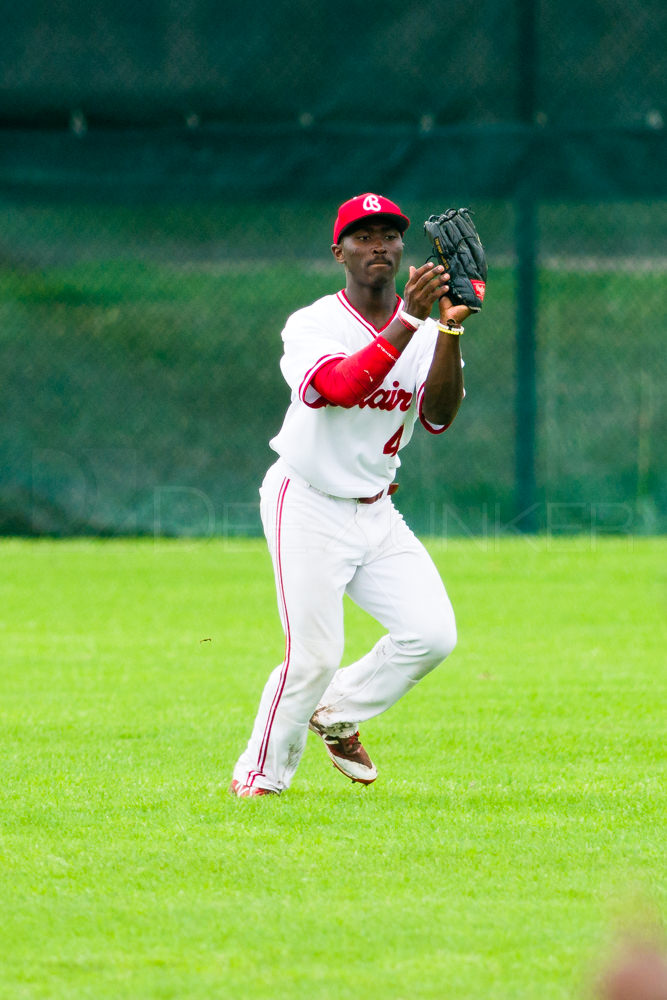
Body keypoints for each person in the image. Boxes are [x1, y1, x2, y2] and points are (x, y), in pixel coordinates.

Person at [230, 192, 474, 797]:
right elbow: (335, 387)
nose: (379, 246)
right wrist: (410, 322)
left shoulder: (424, 327)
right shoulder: (313, 324)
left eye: (390, 235)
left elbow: (439, 417)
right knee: (313, 655)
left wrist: (446, 327)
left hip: (376, 510)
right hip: (306, 501)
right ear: (338, 251)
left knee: (431, 634)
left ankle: (337, 711)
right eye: (363, 236)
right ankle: (258, 778)